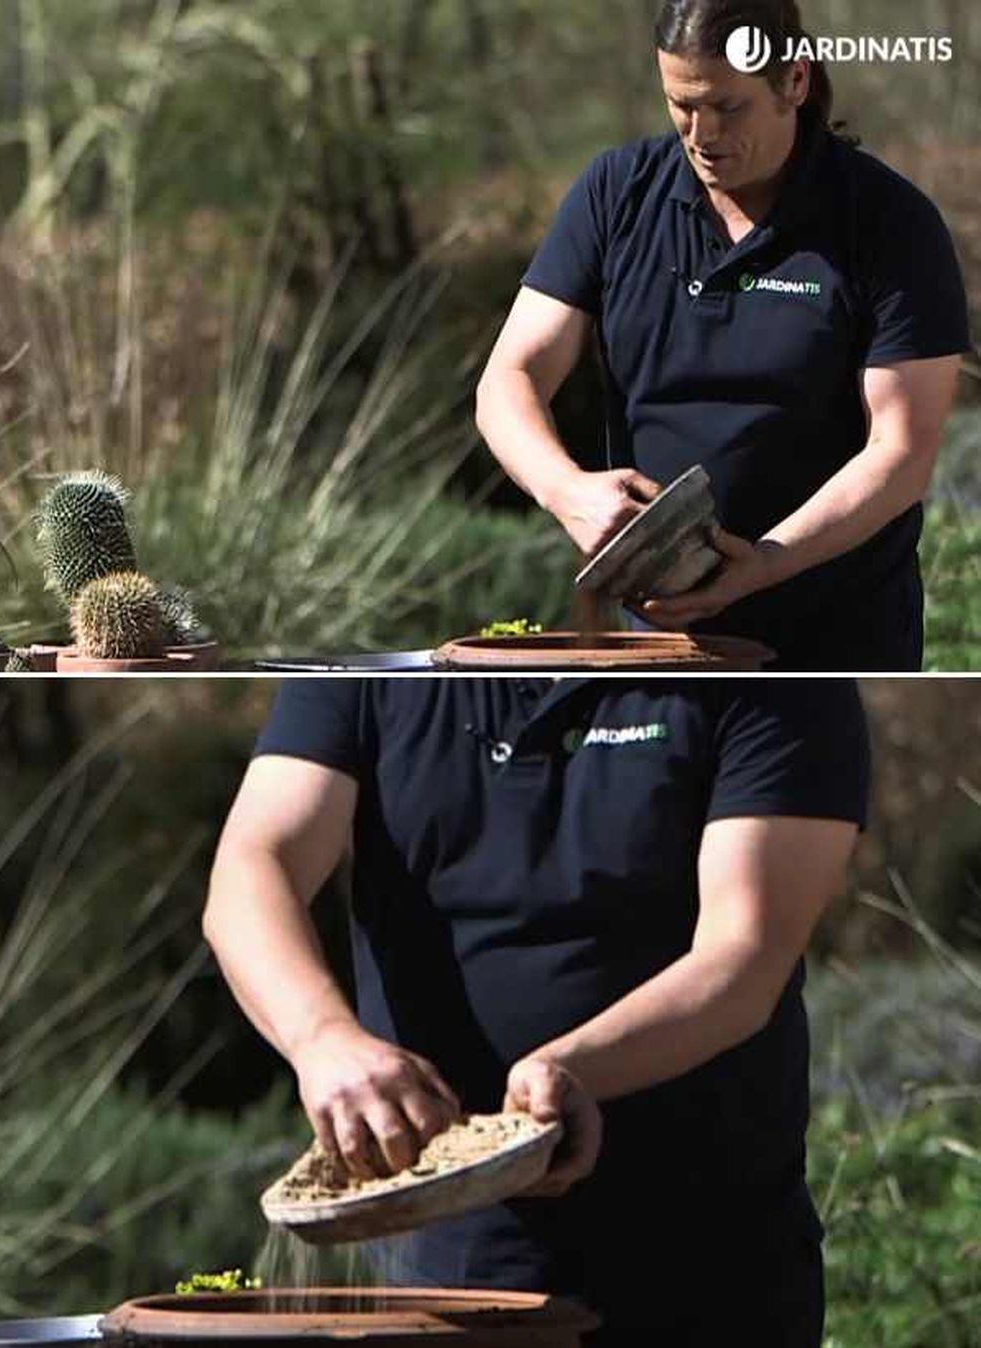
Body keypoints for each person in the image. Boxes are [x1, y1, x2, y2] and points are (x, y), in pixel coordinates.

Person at [203, 677, 870, 1347]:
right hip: (435, 1280)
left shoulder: (774, 680)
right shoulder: (370, 676)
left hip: (708, 1275)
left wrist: (569, 1070)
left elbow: (744, 955)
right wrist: (324, 1040)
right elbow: (255, 865)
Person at [475, 0, 972, 672]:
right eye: (681, 104)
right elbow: (510, 379)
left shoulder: (889, 224)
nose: (702, 132)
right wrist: (566, 489)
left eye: (728, 107)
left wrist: (767, 562)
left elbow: (902, 454)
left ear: (794, 81)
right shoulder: (615, 194)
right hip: (656, 637)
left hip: (839, 639)